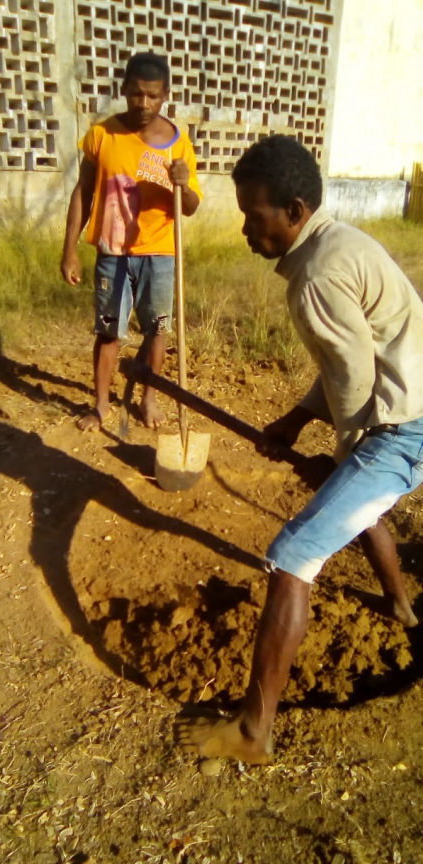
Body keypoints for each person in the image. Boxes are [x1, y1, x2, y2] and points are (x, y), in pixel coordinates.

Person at [179, 134, 423, 765]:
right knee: (355, 506)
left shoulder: (315, 277)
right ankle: (400, 606)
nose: (242, 230)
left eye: (252, 216)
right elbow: (353, 355)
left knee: (291, 556)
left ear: (292, 211)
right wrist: (296, 419)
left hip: (404, 430)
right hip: (410, 406)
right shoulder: (338, 244)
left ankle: (254, 733)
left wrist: (343, 456)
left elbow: (355, 382)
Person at [61, 52, 202, 431]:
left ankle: (149, 399)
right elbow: (83, 193)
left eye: (153, 96)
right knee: (108, 332)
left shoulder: (177, 143)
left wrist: (183, 183)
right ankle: (102, 405)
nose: (144, 103)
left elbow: (190, 207)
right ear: (124, 90)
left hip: (159, 253)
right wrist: (70, 249)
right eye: (137, 94)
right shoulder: (102, 135)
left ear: (165, 95)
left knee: (157, 329)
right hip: (112, 252)